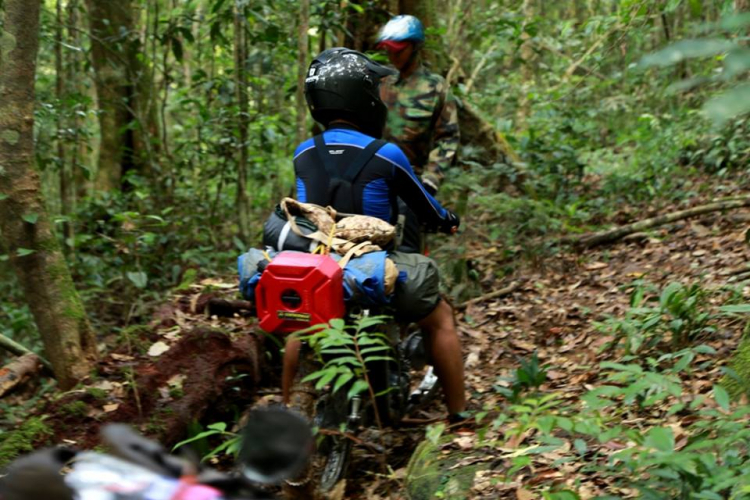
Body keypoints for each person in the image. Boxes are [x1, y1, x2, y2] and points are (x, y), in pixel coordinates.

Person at [283, 47, 466, 420]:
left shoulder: (304, 152)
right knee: (442, 317)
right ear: (362, 97)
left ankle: (286, 410)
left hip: (316, 265)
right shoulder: (387, 154)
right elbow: (424, 207)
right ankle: (461, 415)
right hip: (370, 264)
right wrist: (448, 220)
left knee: (299, 328)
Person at [376, 15, 460, 252]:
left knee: (407, 256)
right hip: (374, 181)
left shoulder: (436, 88)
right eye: (388, 50)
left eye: (398, 50)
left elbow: (448, 138)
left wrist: (430, 182)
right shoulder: (381, 83)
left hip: (413, 185)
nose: (392, 56)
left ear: (415, 47)